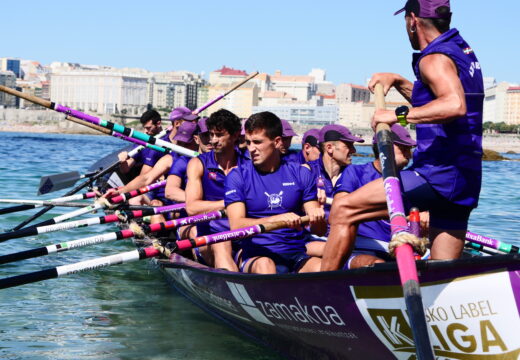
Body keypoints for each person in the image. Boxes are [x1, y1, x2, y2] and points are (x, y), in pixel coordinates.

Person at [321, 0, 484, 271]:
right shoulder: (460, 50)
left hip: (437, 175)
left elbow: (454, 104)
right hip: (465, 178)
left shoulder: (434, 58)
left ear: (412, 20)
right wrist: (399, 82)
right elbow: (434, 98)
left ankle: (322, 294)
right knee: (441, 273)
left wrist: (396, 117)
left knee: (343, 209)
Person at [225, 112, 326, 274]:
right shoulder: (237, 176)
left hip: (296, 254)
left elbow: (319, 231)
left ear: (277, 142)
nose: (251, 149)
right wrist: (277, 219)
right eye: (248, 142)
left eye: (257, 142)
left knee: (323, 268)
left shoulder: (301, 174)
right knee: (266, 265)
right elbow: (236, 226)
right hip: (256, 255)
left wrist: (318, 218)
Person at [333, 124, 416, 269]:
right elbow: (337, 211)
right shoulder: (355, 173)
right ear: (384, 147)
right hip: (361, 247)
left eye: (409, 149)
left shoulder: (412, 181)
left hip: (399, 247)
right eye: (403, 148)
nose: (408, 155)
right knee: (378, 265)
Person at [185, 109, 247, 271]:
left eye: (219, 135)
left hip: (244, 235)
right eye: (211, 135)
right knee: (222, 242)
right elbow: (191, 208)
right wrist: (230, 204)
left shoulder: (248, 164)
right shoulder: (198, 164)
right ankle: (234, 291)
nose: (213, 140)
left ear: (235, 136)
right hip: (210, 238)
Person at [303, 125, 364, 256]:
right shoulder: (305, 172)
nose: (353, 150)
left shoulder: (354, 175)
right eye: (348, 145)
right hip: (310, 239)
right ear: (329, 148)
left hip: (344, 238)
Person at [118, 109, 163, 174]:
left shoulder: (169, 140)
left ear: (158, 124)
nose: (145, 131)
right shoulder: (142, 142)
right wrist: (123, 161)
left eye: (148, 128)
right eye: (144, 128)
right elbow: (125, 170)